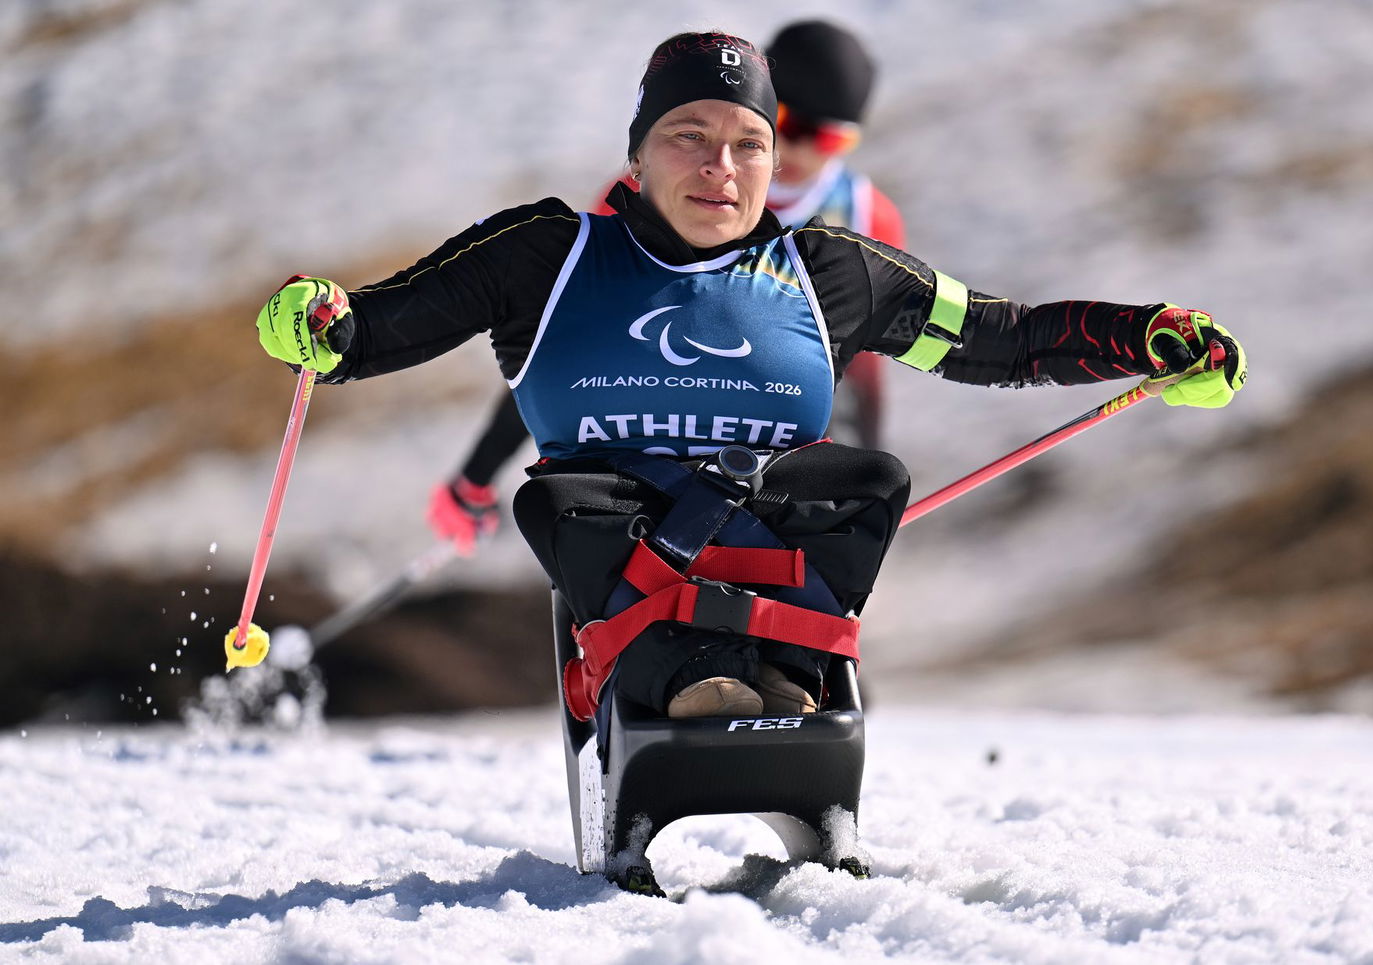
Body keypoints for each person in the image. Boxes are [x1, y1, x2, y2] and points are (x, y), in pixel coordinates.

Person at [253, 30, 1246, 721]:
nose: (719, 167)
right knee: (564, 497)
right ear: (637, 155)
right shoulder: (544, 252)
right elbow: (373, 331)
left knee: (867, 480)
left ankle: (778, 674)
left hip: (763, 535)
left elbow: (1005, 337)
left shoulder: (831, 271)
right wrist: (319, 324)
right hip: (617, 534)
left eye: (747, 145)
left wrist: (1146, 339)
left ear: (773, 165)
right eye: (688, 136)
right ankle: (689, 678)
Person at [427, 20, 901, 557]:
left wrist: (864, 504)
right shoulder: (652, 194)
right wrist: (477, 474)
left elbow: (866, 373)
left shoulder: (866, 218)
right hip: (645, 477)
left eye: (829, 138)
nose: (799, 149)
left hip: (773, 485)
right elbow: (564, 343)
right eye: (788, 121)